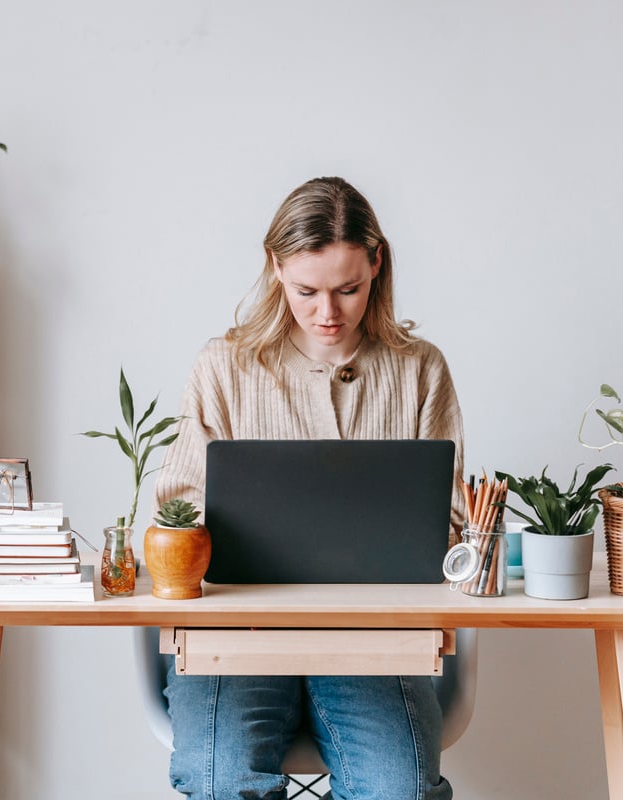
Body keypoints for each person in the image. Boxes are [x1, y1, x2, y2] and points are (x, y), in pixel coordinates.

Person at [154, 176, 464, 800]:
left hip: (375, 643)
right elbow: (176, 509)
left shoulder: (419, 368)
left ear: (376, 263)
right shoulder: (225, 365)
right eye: (307, 291)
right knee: (221, 783)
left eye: (348, 289)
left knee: (397, 790)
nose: (329, 313)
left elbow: (451, 526)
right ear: (275, 268)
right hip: (234, 640)